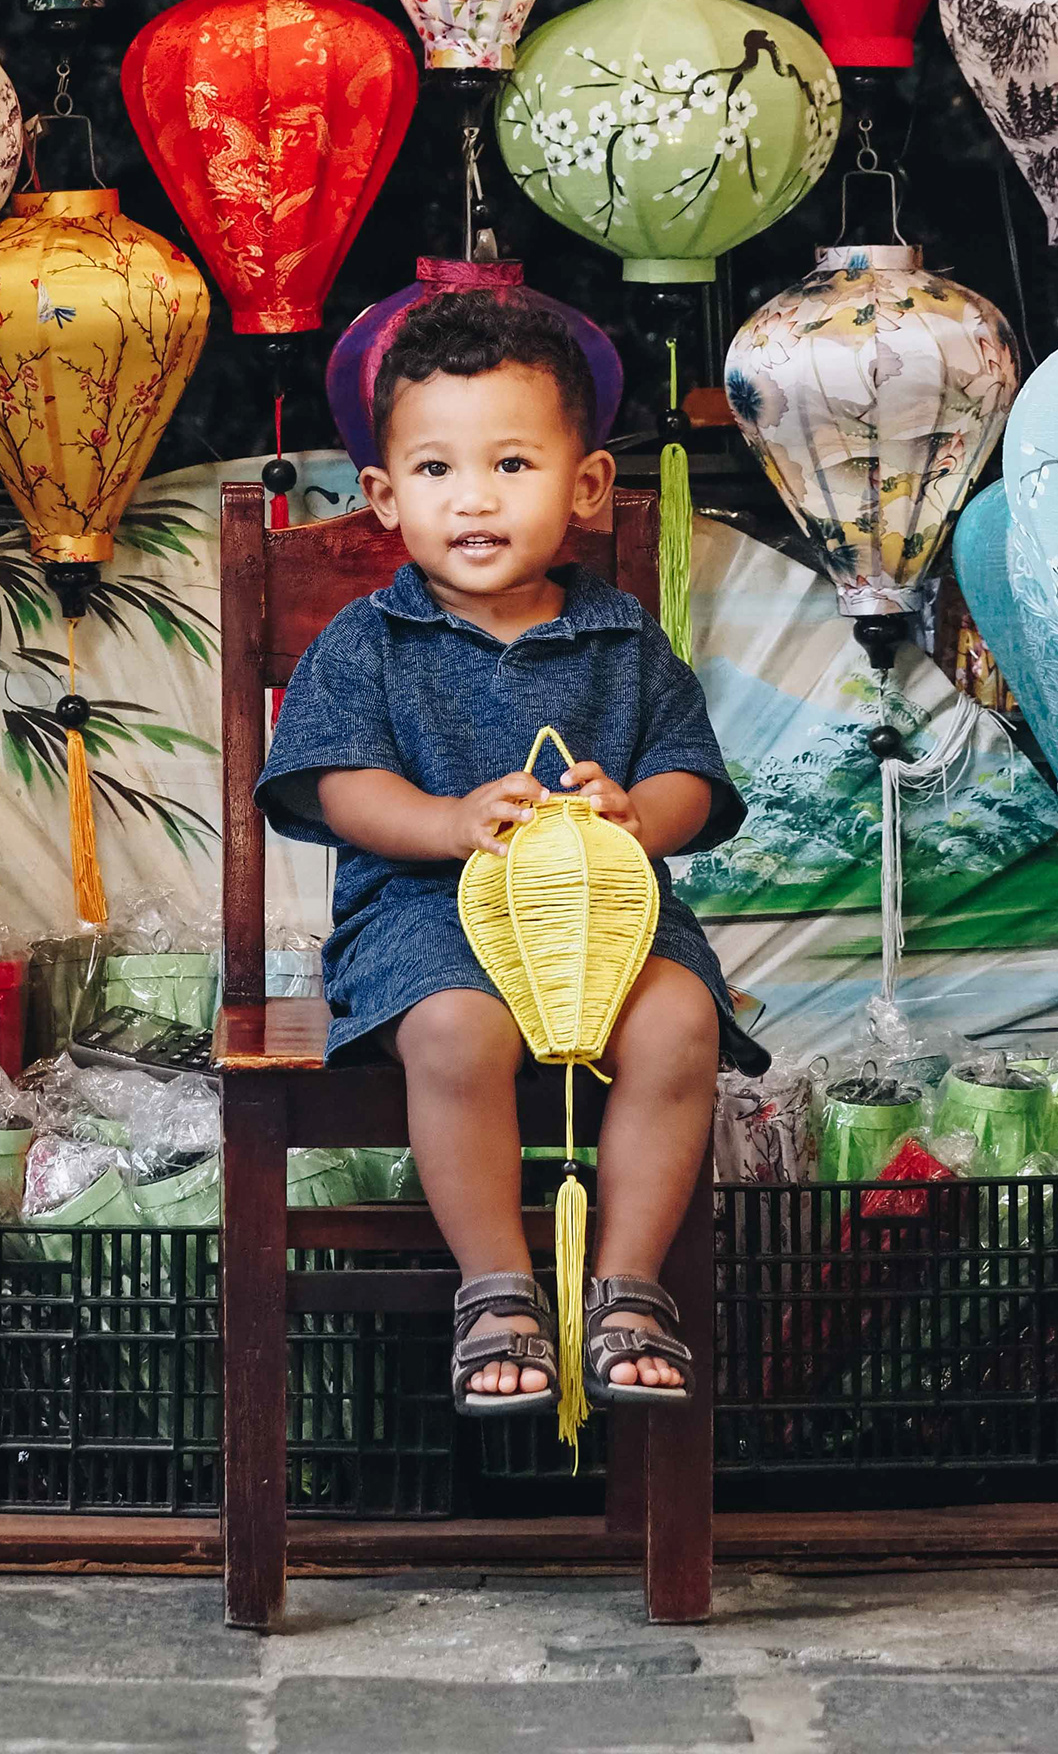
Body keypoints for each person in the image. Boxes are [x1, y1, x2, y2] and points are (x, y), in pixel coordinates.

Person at [256, 289, 761, 1421]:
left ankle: (626, 1286)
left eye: (513, 465)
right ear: (383, 497)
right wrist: (442, 822)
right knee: (454, 1027)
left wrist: (638, 814)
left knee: (680, 1019)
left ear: (585, 487)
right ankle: (497, 1289)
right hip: (422, 919)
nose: (473, 499)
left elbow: (692, 776)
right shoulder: (371, 641)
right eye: (434, 471)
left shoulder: (622, 637)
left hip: (607, 918)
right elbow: (337, 786)